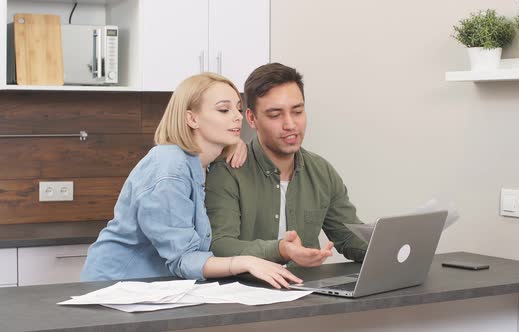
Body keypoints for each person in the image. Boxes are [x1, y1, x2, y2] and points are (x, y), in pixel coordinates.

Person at [81, 73, 301, 289]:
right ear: (192, 119)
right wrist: (245, 262)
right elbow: (183, 259)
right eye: (224, 110)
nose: (238, 117)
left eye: (238, 109)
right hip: (114, 287)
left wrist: (236, 143)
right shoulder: (169, 168)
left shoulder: (206, 163)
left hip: (155, 289)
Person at [205, 63, 368, 267]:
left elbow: (349, 238)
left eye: (297, 111)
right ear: (251, 118)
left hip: (308, 293)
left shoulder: (321, 171)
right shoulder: (228, 171)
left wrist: (390, 247)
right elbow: (220, 245)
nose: (290, 124)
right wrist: (281, 249)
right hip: (248, 293)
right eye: (275, 115)